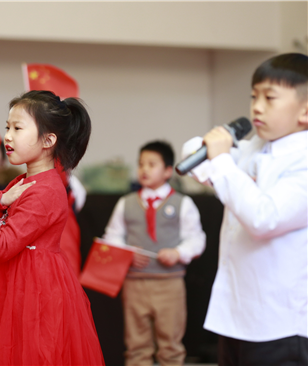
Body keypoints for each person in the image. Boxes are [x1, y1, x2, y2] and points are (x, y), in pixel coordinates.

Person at [0, 90, 105, 365]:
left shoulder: (48, 190)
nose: (8, 136)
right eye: (8, 127)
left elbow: (2, 248)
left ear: (48, 140)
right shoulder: (19, 183)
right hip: (8, 285)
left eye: (18, 128)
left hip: (34, 291)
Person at [198, 53, 308, 365]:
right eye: (253, 96)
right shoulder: (254, 146)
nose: (257, 106)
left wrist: (220, 161)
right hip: (235, 316)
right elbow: (199, 161)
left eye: (270, 98)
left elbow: (264, 218)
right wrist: (210, 150)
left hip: (280, 324)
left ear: (305, 111)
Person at [102, 140, 206, 366]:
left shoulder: (182, 203)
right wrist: (127, 252)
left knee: (170, 346)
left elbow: (197, 239)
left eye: (151, 164)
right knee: (136, 346)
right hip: (134, 284)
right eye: (141, 164)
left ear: (168, 170)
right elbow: (112, 236)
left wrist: (178, 253)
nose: (144, 169)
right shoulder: (126, 203)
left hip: (169, 284)